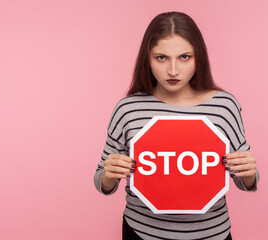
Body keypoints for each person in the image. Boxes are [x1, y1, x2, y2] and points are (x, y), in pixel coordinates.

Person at [94, 11, 259, 240]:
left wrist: (249, 173)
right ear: (147, 58)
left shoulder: (224, 106)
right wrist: (109, 175)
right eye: (161, 57)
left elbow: (244, 180)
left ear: (198, 57)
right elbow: (102, 179)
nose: (173, 70)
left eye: (184, 57)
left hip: (212, 234)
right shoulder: (128, 109)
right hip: (141, 232)